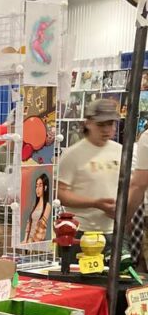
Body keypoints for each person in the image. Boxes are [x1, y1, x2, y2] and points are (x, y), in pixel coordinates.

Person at [57, 97, 121, 235]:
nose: (106, 129)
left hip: (115, 230)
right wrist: (95, 203)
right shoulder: (72, 154)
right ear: (88, 123)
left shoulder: (121, 151)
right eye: (101, 124)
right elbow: (60, 193)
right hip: (81, 230)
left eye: (110, 124)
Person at [23, 171, 52, 243]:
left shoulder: (47, 206)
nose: (37, 189)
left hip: (36, 241)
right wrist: (25, 239)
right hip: (28, 240)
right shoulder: (34, 204)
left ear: (45, 187)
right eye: (36, 186)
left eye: (40, 186)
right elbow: (29, 223)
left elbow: (41, 228)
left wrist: (31, 241)